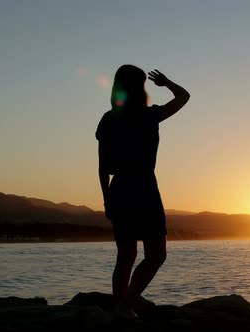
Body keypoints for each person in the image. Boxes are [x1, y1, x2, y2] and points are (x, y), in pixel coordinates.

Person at [95, 65, 190, 319]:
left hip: (120, 190)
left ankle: (120, 309)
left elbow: (103, 168)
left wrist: (107, 199)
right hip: (145, 189)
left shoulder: (108, 119)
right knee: (156, 255)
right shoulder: (150, 116)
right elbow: (184, 97)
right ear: (139, 88)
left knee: (126, 256)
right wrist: (167, 82)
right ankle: (125, 306)